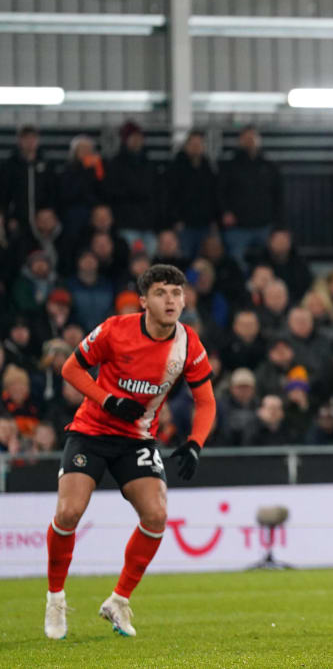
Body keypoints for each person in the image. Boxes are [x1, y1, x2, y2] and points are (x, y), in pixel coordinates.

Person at [45, 264, 216, 639]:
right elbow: (71, 369)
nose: (170, 300)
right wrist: (107, 400)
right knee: (69, 511)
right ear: (143, 301)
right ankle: (55, 597)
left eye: (176, 293)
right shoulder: (115, 330)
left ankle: (118, 601)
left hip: (137, 440)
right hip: (91, 431)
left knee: (156, 516)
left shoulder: (189, 344)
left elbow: (205, 402)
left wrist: (194, 444)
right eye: (160, 293)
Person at [219, 126, 282, 266]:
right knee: (236, 261)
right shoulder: (229, 166)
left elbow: (278, 195)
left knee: (270, 261)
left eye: (252, 138)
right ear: (240, 141)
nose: (250, 141)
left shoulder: (269, 166)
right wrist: (225, 212)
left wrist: (278, 223)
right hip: (238, 226)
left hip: (264, 224)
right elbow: (220, 192)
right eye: (246, 138)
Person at [105, 121, 161, 256]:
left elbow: (157, 192)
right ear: (125, 140)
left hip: (148, 224)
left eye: (139, 137)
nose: (137, 141)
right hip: (127, 224)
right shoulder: (115, 164)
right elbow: (113, 192)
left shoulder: (149, 164)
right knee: (133, 259)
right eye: (133, 137)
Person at [166, 129, 221, 259]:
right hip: (184, 225)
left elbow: (214, 195)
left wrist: (214, 220)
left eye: (199, 144)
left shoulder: (209, 168)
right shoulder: (175, 168)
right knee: (185, 259)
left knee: (205, 261)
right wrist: (175, 219)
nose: (196, 147)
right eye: (193, 144)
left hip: (205, 224)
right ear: (186, 146)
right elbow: (169, 196)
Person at [0, 124, 57, 240]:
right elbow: (4, 193)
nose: (30, 142)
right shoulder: (9, 165)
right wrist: (8, 217)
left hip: (42, 219)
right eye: (26, 138)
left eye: (33, 138)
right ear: (20, 141)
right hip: (18, 219)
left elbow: (53, 191)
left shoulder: (47, 164)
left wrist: (49, 211)